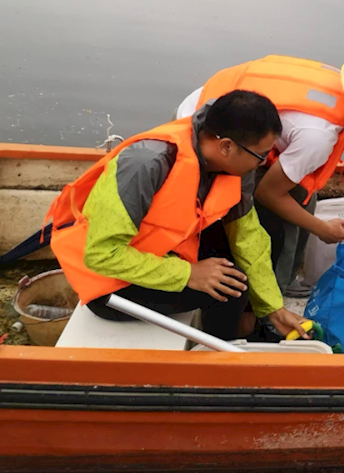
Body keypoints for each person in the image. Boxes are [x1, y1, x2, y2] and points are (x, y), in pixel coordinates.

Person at [48, 90, 310, 340]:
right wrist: (188, 274)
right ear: (227, 147)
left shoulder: (234, 163)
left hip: (165, 252)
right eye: (261, 155)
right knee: (229, 291)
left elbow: (247, 235)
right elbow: (101, 255)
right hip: (109, 282)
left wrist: (272, 307)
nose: (263, 163)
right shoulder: (146, 165)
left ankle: (247, 331)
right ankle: (216, 361)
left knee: (263, 238)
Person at [176, 55, 344, 295]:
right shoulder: (319, 138)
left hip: (250, 124)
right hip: (215, 131)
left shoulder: (342, 97)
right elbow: (267, 194)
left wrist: (313, 222)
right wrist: (322, 229)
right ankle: (269, 297)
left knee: (305, 197)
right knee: (277, 224)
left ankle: (286, 279)